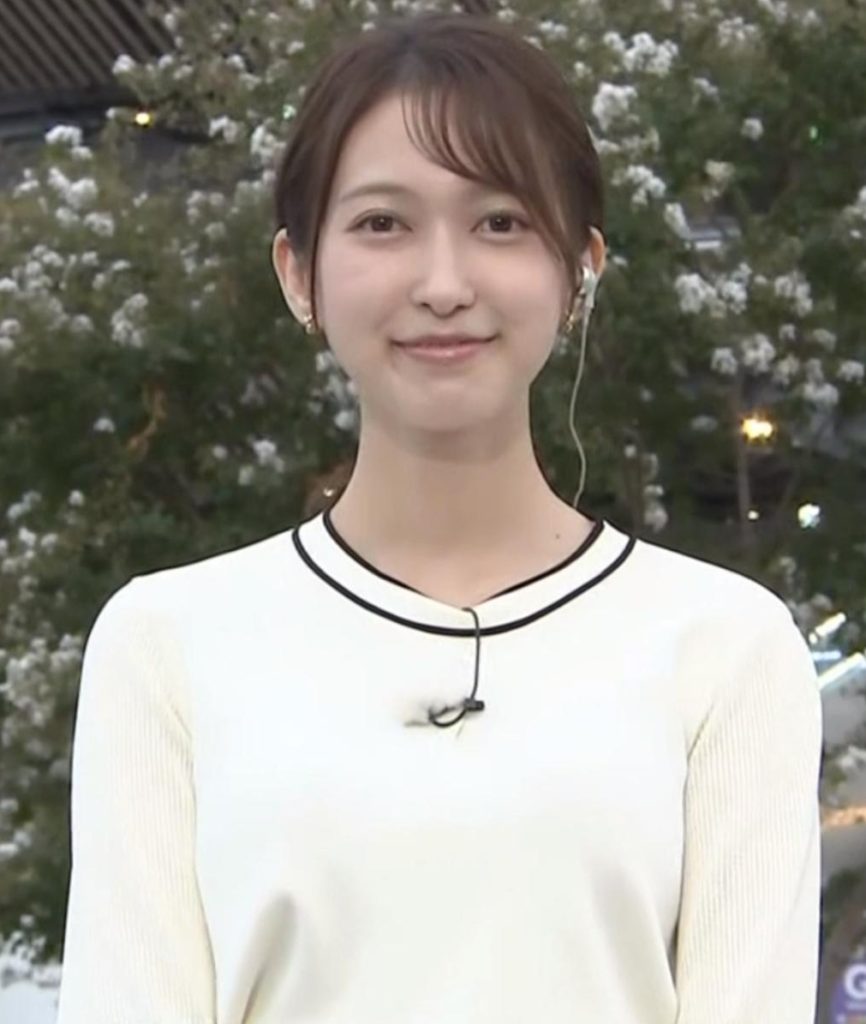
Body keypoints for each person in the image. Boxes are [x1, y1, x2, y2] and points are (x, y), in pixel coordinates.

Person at [56, 10, 823, 1024]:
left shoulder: (724, 649)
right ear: (298, 273)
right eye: (383, 224)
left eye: (500, 222)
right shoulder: (166, 647)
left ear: (580, 268)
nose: (444, 284)